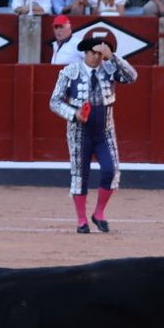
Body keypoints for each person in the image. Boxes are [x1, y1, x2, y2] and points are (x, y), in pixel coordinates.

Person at [49, 29, 138, 233]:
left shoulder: (109, 69)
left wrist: (113, 57)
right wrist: (74, 113)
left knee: (111, 170)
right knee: (80, 175)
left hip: (105, 131)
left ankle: (99, 213)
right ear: (85, 53)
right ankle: (81, 221)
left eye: (100, 54)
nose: (97, 57)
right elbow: (54, 101)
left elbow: (132, 76)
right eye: (93, 53)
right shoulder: (70, 72)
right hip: (79, 131)